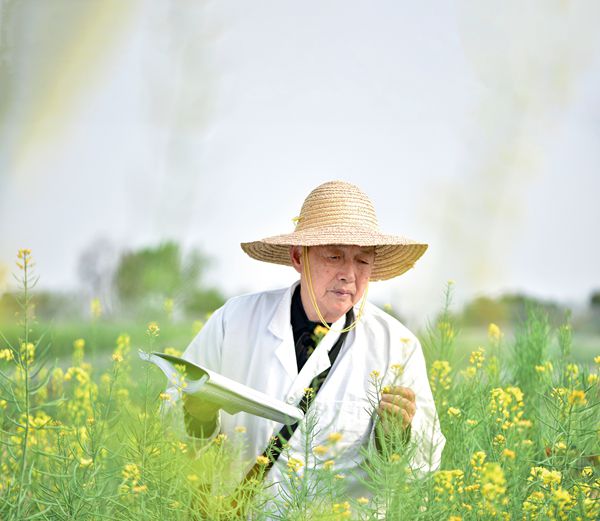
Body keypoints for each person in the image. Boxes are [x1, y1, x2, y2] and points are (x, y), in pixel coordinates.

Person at [172, 180, 445, 503]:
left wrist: (394, 437)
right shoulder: (234, 321)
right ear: (298, 258)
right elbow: (171, 432)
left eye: (362, 260)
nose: (349, 274)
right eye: (334, 256)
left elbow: (422, 467)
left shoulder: (396, 346)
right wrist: (197, 416)